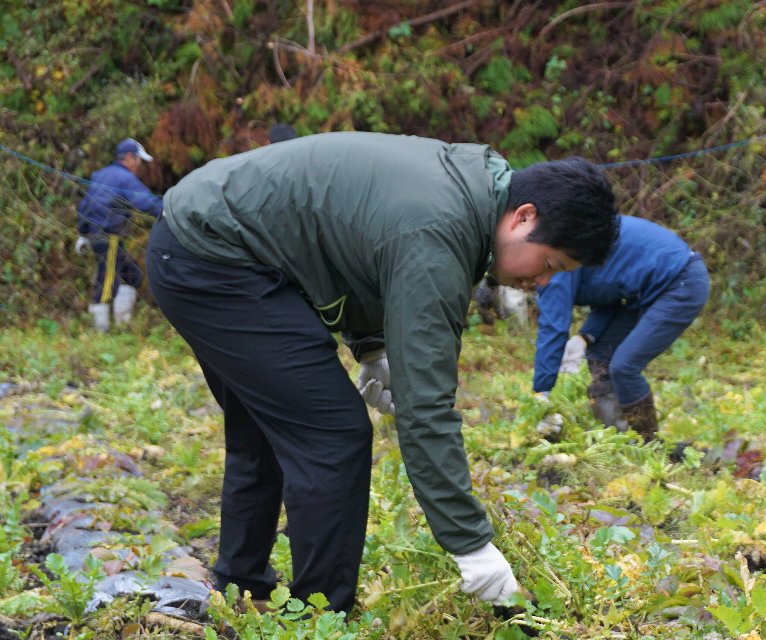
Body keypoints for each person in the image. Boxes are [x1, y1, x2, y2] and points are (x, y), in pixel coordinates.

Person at [144, 132, 619, 614]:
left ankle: (240, 588)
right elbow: (426, 408)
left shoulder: (467, 188)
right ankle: (319, 620)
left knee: (271, 424)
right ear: (524, 217)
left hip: (201, 237)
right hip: (212, 257)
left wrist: (372, 347)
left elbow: (353, 244)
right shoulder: (440, 228)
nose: (542, 283)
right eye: (551, 265)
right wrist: (471, 546)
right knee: (332, 432)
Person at [532, 215, 710, 442]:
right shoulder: (561, 248)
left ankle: (649, 445)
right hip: (644, 291)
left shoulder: (553, 259)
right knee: (600, 354)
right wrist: (585, 336)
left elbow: (553, 326)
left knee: (625, 366)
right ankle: (619, 437)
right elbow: (610, 294)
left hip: (679, 282)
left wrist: (541, 392)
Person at [75, 138, 163, 331]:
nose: (139, 165)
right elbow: (147, 202)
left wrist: (82, 233)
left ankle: (124, 323)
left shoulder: (100, 175)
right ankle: (100, 332)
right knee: (107, 283)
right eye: (138, 160)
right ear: (130, 158)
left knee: (134, 276)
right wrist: (168, 211)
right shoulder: (125, 179)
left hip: (97, 235)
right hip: (108, 237)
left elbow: (84, 206)